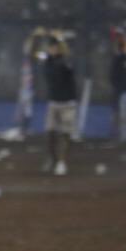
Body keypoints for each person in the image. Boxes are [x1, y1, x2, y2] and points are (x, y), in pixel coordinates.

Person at [39, 35, 79, 176]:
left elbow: (68, 70)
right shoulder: (47, 62)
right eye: (51, 47)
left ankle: (62, 162)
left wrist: (64, 51)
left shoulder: (66, 61)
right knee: (50, 133)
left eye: (55, 47)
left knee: (66, 133)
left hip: (67, 102)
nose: (53, 49)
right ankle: (52, 159)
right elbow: (36, 56)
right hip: (53, 101)